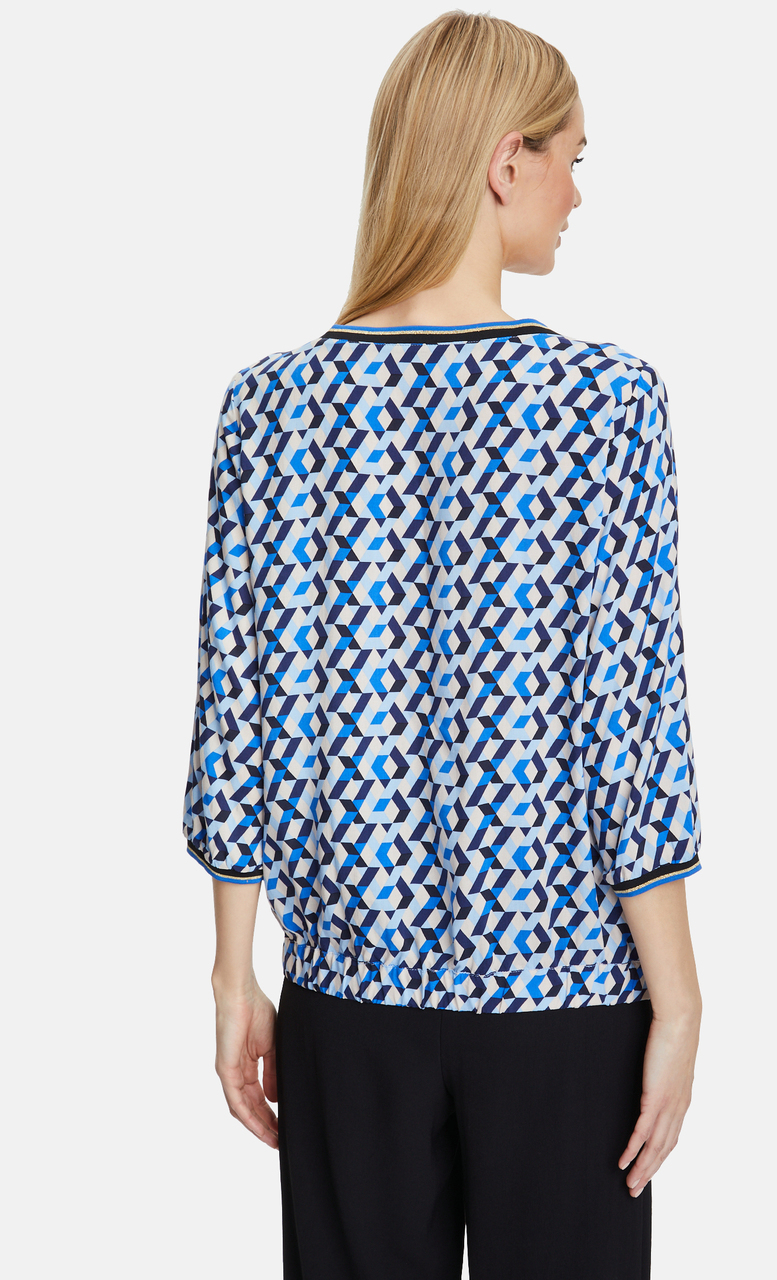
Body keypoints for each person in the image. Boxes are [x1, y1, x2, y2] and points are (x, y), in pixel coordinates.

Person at [182, 10, 704, 1279]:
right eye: (572, 156)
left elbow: (234, 715)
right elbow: (630, 720)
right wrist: (680, 993)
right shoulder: (603, 402)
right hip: (563, 996)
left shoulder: (268, 407)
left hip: (346, 1002)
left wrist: (234, 973)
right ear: (504, 160)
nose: (577, 193)